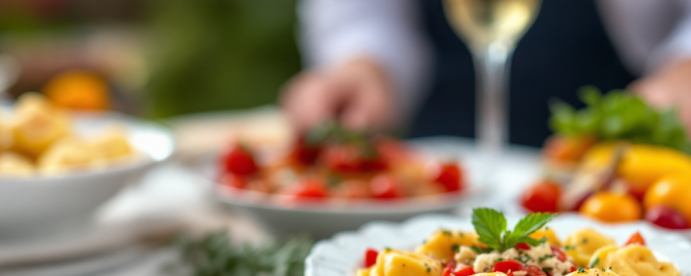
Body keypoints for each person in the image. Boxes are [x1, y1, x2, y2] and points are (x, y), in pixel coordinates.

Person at [282, 0, 691, 146]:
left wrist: (682, 71)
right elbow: (363, 17)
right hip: (442, 136)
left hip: (610, 132)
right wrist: (364, 65)